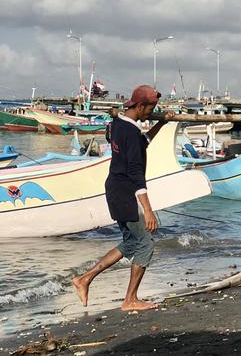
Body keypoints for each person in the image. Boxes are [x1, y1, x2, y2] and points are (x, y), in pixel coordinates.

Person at [72, 84, 170, 312]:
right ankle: (130, 300)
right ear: (140, 105)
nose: (151, 112)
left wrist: (161, 122)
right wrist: (148, 210)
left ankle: (84, 279)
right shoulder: (130, 132)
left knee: (130, 243)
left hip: (116, 189)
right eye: (151, 108)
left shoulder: (118, 124)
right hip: (124, 192)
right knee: (145, 244)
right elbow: (136, 174)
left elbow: (142, 143)